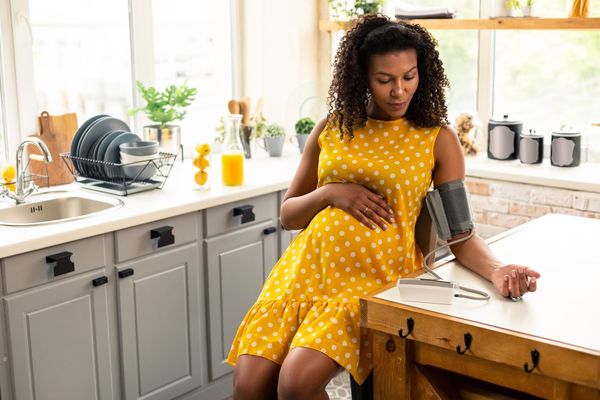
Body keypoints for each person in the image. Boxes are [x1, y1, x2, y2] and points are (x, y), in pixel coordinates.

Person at [227, 14, 541, 400]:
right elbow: (289, 214)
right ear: (362, 77)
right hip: (303, 274)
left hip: (369, 281)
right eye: (385, 79)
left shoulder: (437, 138)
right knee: (249, 386)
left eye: (409, 76)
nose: (399, 91)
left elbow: (460, 234)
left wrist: (497, 270)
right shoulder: (333, 127)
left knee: (295, 386)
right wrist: (332, 193)